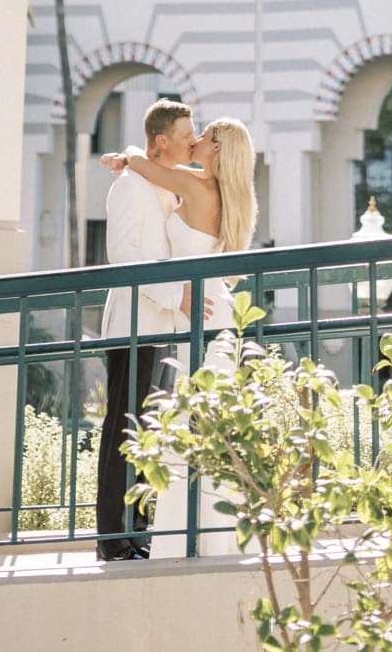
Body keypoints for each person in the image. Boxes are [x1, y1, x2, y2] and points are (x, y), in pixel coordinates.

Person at [101, 117, 258, 556]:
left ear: (217, 149)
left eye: (202, 136)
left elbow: (142, 163)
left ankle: (186, 532)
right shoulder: (211, 188)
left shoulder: (194, 186)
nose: (195, 140)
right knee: (193, 421)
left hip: (194, 314)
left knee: (189, 422)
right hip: (195, 313)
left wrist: (126, 156)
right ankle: (189, 532)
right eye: (190, 133)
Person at [95, 97, 197, 562]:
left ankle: (137, 531)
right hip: (133, 327)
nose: (192, 142)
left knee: (149, 433)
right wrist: (176, 296)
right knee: (125, 430)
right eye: (184, 135)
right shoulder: (130, 186)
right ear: (161, 140)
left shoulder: (165, 182)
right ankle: (112, 539)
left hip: (163, 329)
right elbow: (124, 257)